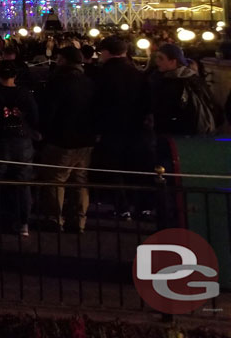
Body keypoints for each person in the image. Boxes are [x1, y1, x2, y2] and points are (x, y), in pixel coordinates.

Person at [90, 36, 151, 219]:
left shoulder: (101, 75)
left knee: (114, 170)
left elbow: (96, 104)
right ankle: (142, 206)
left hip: (111, 128)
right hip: (136, 128)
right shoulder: (138, 74)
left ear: (107, 52)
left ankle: (122, 207)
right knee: (137, 169)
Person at [38, 45, 98, 233]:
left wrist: (44, 131)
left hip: (62, 138)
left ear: (64, 60)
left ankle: (56, 218)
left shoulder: (58, 81)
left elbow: (49, 110)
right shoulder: (88, 81)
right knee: (80, 181)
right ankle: (80, 219)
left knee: (56, 179)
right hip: (86, 138)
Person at [0, 60, 38, 236]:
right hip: (21, 140)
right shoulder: (24, 93)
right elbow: (35, 116)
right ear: (15, 76)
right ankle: (23, 223)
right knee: (22, 183)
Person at [149, 43, 222, 137]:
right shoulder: (160, 77)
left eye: (161, 58)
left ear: (173, 61)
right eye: (157, 57)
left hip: (181, 133)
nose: (157, 61)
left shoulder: (186, 81)